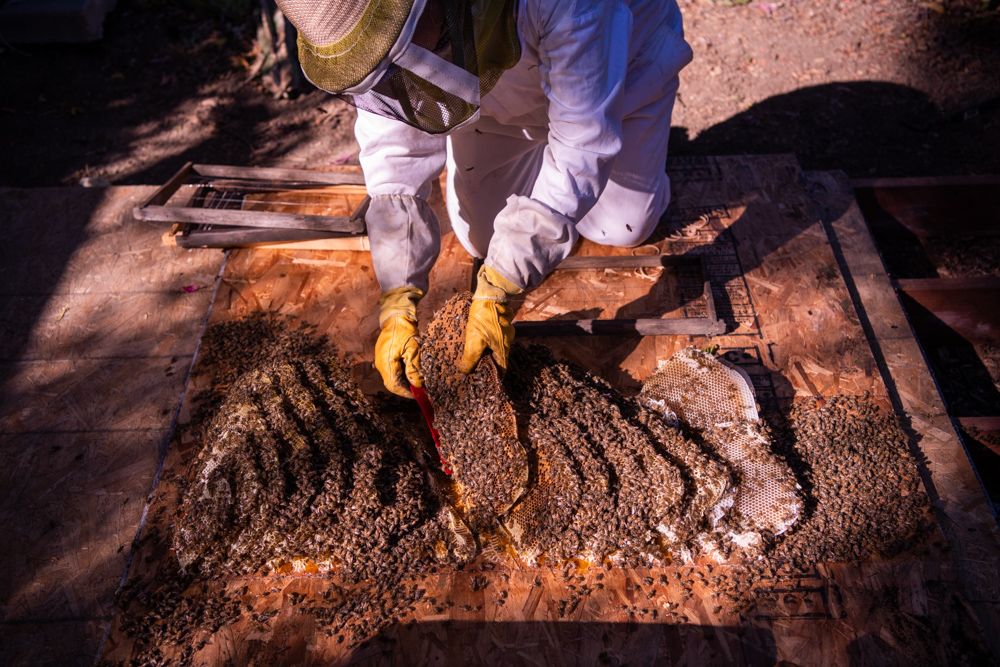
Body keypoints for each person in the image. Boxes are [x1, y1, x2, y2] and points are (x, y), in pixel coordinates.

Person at [275, 0, 693, 398]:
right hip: (501, 110)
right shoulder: (377, 35)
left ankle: (640, 139)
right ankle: (541, 170)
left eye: (397, 48)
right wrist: (397, 294)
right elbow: (393, 146)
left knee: (623, 227)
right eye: (379, 67)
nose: (395, 75)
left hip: (620, 75)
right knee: (481, 240)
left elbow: (582, 142)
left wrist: (504, 282)